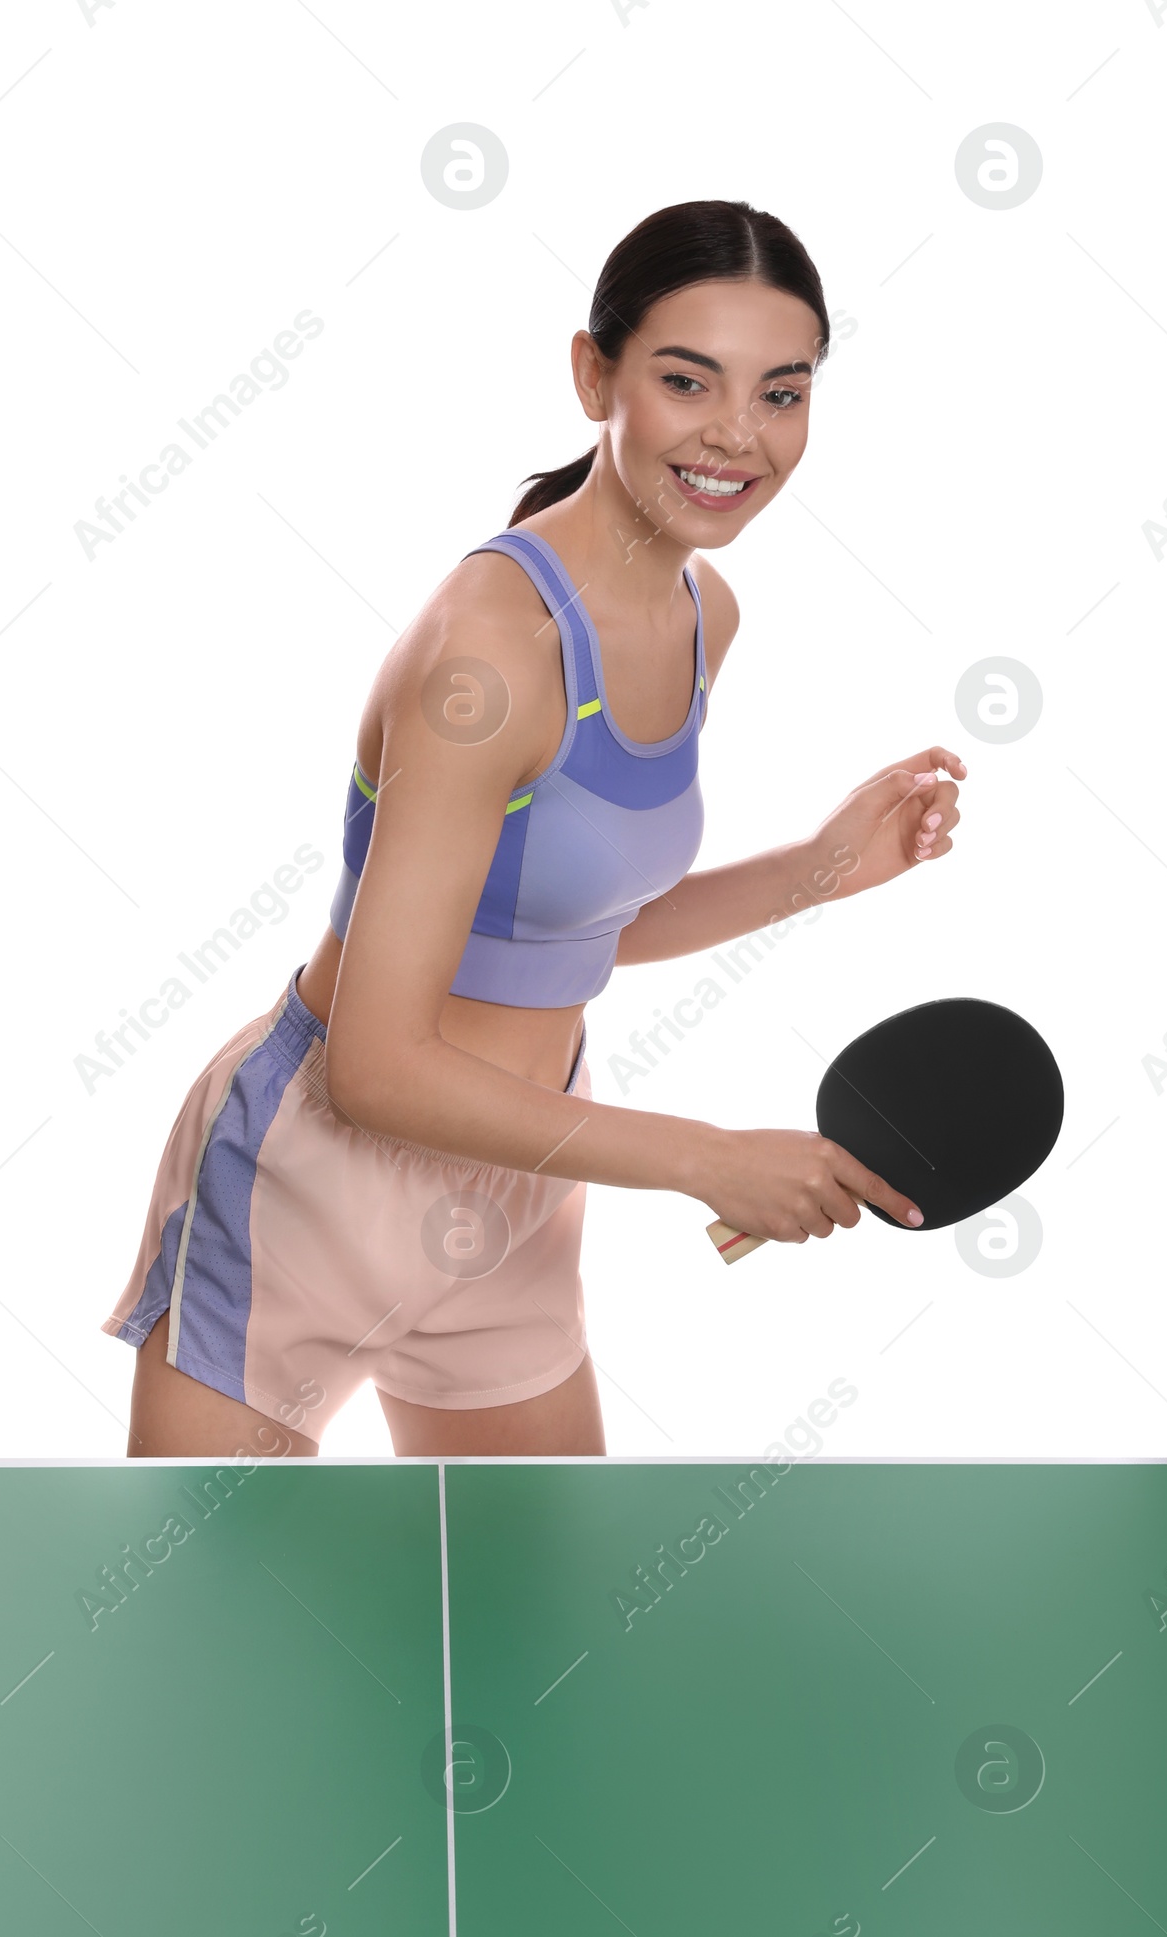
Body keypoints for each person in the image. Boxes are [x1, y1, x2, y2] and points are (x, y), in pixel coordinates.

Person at [103, 198, 964, 1460]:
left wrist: (820, 869)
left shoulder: (699, 612)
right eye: (688, 380)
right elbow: (378, 1067)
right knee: (210, 1637)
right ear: (593, 374)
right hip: (315, 1184)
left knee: (539, 1629)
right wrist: (706, 1158)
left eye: (782, 393)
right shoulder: (491, 657)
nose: (739, 433)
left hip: (517, 1180)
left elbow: (559, 925)